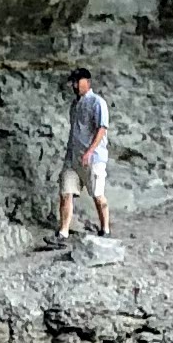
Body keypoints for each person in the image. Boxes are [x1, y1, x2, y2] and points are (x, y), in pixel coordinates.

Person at [55, 68, 111, 242]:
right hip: (73, 157)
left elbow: (102, 129)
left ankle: (105, 228)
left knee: (98, 195)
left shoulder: (97, 102)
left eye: (77, 82)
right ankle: (63, 232)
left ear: (87, 81)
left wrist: (90, 151)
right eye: (73, 82)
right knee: (66, 192)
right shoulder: (75, 105)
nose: (74, 86)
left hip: (92, 158)